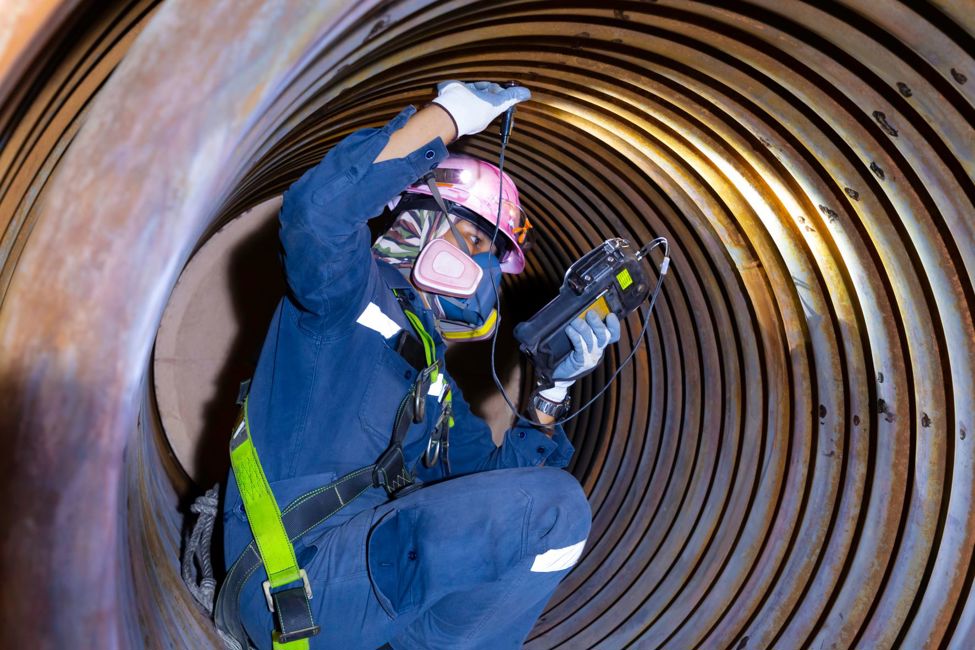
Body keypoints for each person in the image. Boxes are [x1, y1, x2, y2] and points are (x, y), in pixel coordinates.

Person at [216, 81, 621, 650]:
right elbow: (317, 214)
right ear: (420, 220)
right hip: (292, 580)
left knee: (545, 508)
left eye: (493, 258)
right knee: (556, 512)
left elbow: (502, 490)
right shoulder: (345, 299)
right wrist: (444, 118)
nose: (484, 270)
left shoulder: (434, 384)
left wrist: (550, 393)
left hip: (365, 592)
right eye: (475, 238)